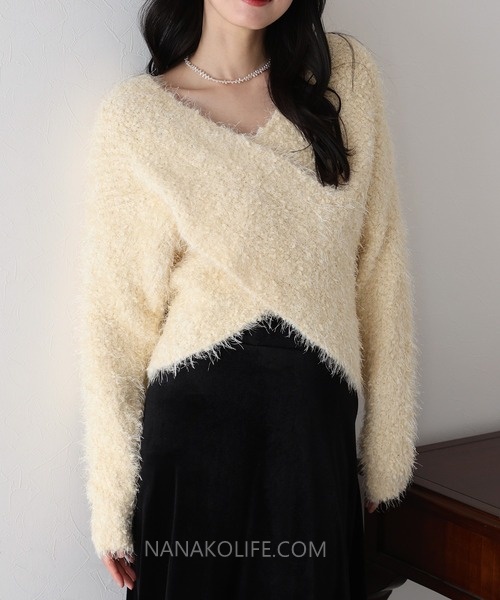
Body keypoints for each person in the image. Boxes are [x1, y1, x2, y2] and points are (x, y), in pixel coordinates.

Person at [78, 0, 420, 598]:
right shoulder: (139, 118)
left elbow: (380, 268)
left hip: (312, 437)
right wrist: (111, 500)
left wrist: (387, 450)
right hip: (191, 446)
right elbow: (116, 321)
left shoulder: (346, 81)